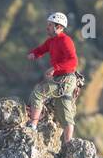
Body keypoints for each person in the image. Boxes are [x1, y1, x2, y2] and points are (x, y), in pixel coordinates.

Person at [26, 12, 79, 143]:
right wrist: (34, 54)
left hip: (66, 79)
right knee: (64, 110)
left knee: (39, 93)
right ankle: (68, 144)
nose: (47, 27)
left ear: (59, 27)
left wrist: (56, 67)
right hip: (62, 79)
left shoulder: (66, 41)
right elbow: (41, 49)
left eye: (50, 25)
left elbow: (73, 61)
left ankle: (32, 126)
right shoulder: (51, 41)